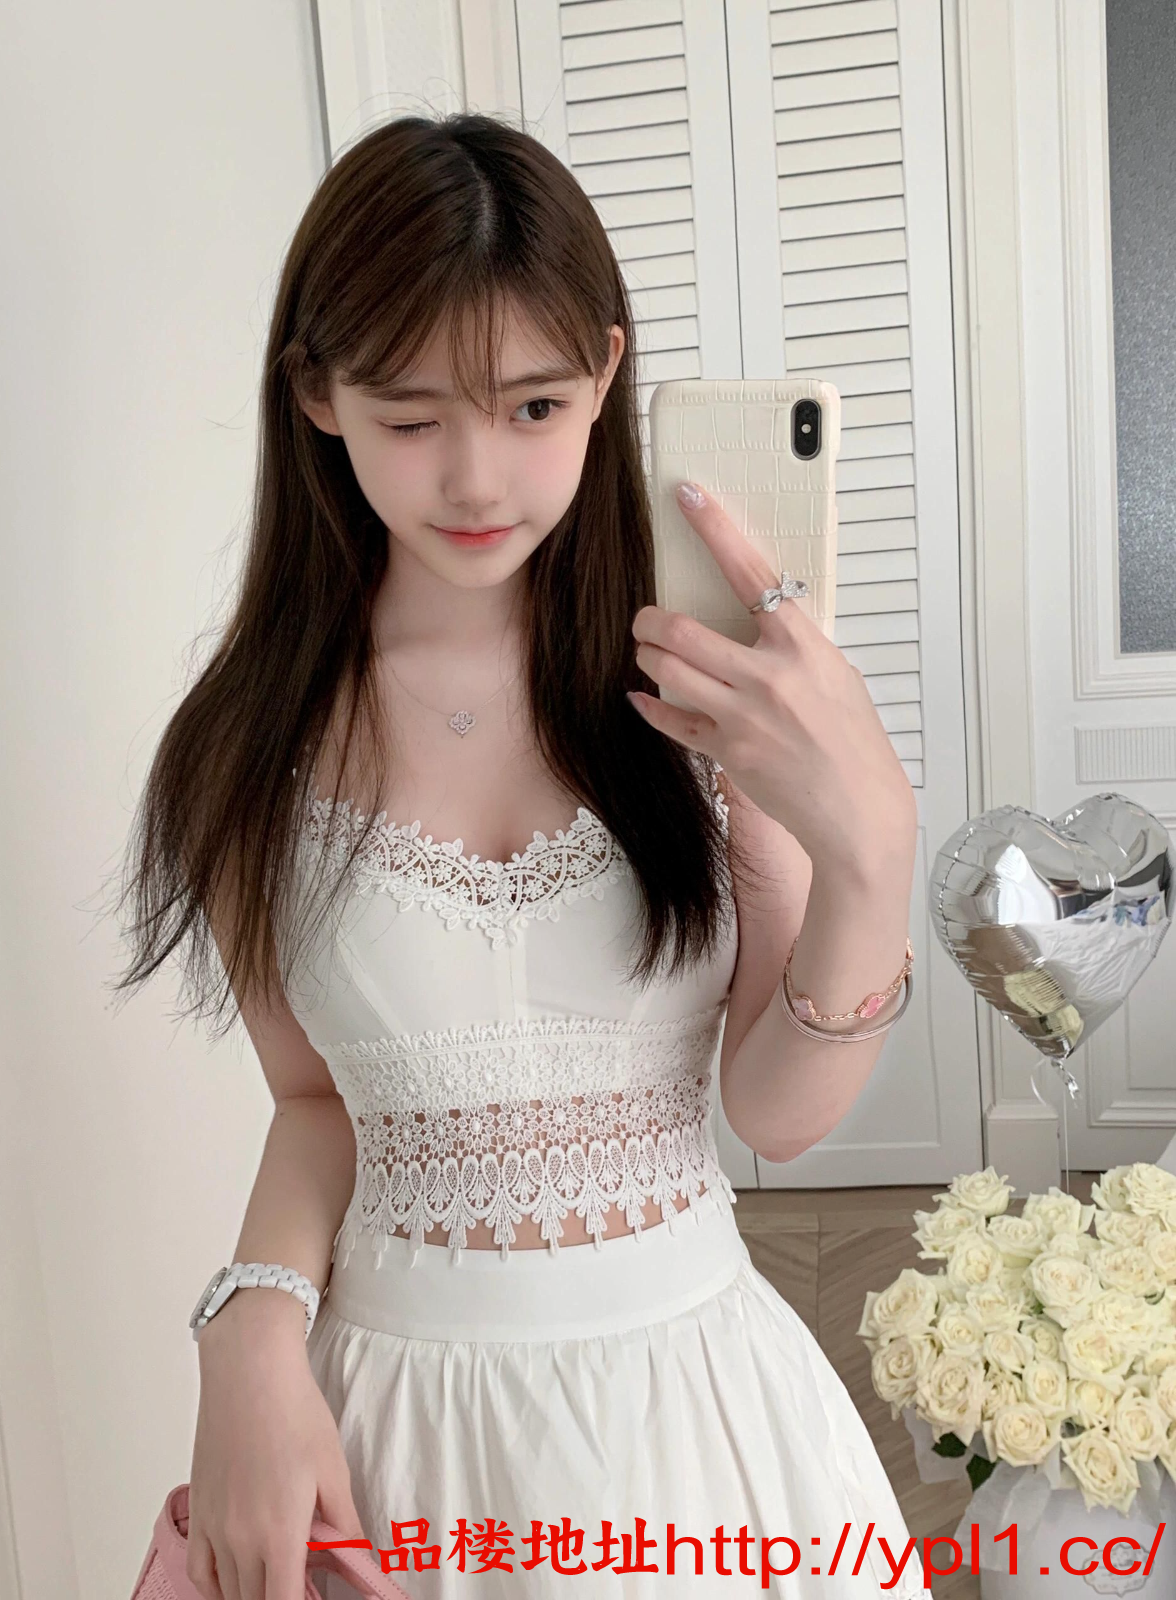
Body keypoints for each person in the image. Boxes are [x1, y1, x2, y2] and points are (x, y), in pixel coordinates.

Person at [113, 111, 926, 1599]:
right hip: (397, 1429)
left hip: (688, 1418)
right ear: (317, 396)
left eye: (535, 406)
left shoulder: (701, 689)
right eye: (413, 418)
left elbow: (777, 1112)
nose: (478, 479)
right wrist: (253, 1326)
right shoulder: (247, 743)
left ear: (607, 374)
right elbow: (317, 1098)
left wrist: (872, 850)